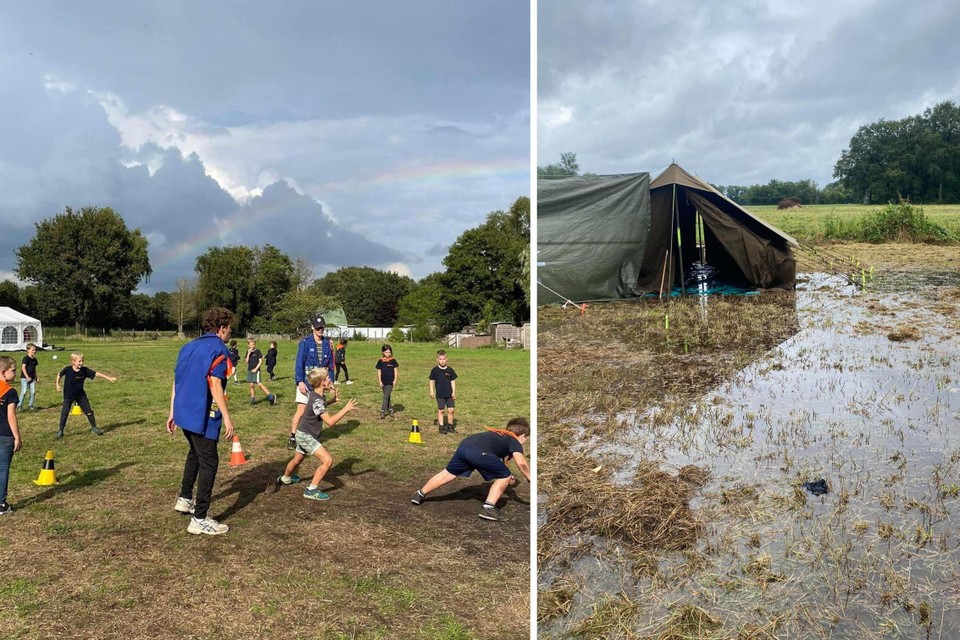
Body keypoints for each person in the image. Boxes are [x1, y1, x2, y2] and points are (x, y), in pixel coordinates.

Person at [167, 307, 237, 536]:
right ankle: (200, 518)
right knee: (209, 462)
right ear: (221, 328)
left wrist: (172, 411)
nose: (230, 333)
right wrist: (227, 417)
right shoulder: (218, 349)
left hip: (183, 412)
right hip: (201, 415)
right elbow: (215, 384)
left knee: (194, 454)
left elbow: (177, 379)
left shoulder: (188, 346)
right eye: (229, 329)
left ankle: (185, 498)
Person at [411, 417, 531, 522]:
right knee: (505, 476)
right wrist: (531, 478)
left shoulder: (499, 435)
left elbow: (495, 458)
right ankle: (488, 509)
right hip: (480, 452)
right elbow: (522, 464)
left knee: (447, 474)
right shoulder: (514, 441)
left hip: (465, 445)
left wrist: (504, 473)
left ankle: (420, 494)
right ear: (522, 436)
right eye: (526, 439)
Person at [278, 367, 357, 501]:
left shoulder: (316, 396)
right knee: (327, 460)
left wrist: (332, 401)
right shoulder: (317, 400)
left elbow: (319, 407)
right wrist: (346, 409)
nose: (330, 379)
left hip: (301, 433)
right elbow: (330, 422)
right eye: (327, 378)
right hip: (307, 436)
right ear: (322, 383)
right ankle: (312, 490)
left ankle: (285, 478)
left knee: (297, 460)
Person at [288, 315, 335, 450]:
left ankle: (312, 436)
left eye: (322, 327)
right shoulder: (305, 343)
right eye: (318, 327)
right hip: (306, 384)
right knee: (301, 411)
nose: (320, 329)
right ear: (312, 328)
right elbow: (299, 363)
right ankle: (292, 436)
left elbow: (330, 366)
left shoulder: (328, 344)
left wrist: (330, 383)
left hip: (319, 386)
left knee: (318, 410)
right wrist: (300, 382)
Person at [55, 352, 117, 439]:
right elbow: (59, 375)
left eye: (82, 361)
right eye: (79, 361)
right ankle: (60, 431)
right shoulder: (67, 369)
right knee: (64, 413)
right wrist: (57, 384)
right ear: (73, 361)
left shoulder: (84, 370)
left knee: (89, 411)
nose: (81, 363)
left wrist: (109, 378)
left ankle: (94, 428)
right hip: (68, 395)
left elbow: (96, 373)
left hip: (80, 395)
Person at [0, 356, 22, 515]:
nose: (15, 374)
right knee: (2, 470)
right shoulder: (10, 391)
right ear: (3, 372)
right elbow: (11, 416)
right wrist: (17, 437)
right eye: (13, 371)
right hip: (6, 436)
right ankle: (1, 504)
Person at [429, 349, 458, 433]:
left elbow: (453, 381)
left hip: (449, 394)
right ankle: (441, 427)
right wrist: (431, 390)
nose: (442, 361)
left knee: (451, 410)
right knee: (441, 410)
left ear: (446, 359)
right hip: (440, 394)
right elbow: (431, 380)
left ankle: (450, 425)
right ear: (437, 360)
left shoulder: (450, 370)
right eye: (440, 359)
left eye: (444, 359)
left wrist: (453, 392)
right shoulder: (434, 370)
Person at [245, 338, 277, 406]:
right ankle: (253, 399)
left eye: (253, 344)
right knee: (251, 385)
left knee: (259, 384)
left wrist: (256, 369)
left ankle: (271, 397)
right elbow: (246, 361)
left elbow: (260, 361)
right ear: (248, 345)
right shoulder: (248, 352)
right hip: (249, 370)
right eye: (251, 344)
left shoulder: (258, 351)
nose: (252, 346)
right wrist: (248, 354)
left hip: (256, 371)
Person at [375, 344, 399, 419]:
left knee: (385, 396)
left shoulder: (393, 360)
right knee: (387, 396)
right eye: (386, 352)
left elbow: (395, 371)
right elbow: (379, 372)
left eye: (389, 352)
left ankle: (382, 411)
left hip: (390, 382)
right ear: (383, 352)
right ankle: (391, 409)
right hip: (383, 382)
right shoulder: (380, 361)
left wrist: (395, 380)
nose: (388, 354)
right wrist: (380, 381)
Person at [19, 343, 38, 412]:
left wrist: (36, 377)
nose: (34, 351)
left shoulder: (35, 360)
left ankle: (31, 405)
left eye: (35, 350)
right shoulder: (26, 358)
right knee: (24, 392)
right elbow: (23, 368)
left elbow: (34, 369)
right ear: (28, 350)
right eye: (32, 350)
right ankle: (19, 405)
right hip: (24, 378)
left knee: (33, 392)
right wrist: (27, 377)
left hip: (32, 378)